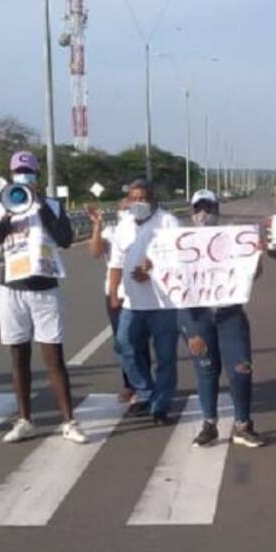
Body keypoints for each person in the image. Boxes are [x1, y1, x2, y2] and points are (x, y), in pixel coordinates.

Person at [0, 151, 87, 444]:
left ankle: (69, 421)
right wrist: (5, 219)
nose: (23, 177)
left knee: (54, 357)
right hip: (11, 290)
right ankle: (24, 419)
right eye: (19, 172)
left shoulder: (52, 205)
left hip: (44, 289)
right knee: (19, 357)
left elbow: (65, 239)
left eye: (28, 172)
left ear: (36, 176)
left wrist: (41, 207)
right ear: (12, 174)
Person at [179, 189, 266, 448]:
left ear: (217, 211)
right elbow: (166, 274)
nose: (203, 214)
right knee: (206, 370)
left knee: (241, 369)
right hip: (196, 316)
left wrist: (256, 255)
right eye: (198, 209)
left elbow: (254, 274)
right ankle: (209, 425)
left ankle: (242, 425)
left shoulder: (233, 239)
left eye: (209, 208)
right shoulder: (179, 242)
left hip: (229, 313)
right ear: (192, 212)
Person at [108, 179, 180, 423]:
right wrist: (113, 293)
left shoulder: (168, 222)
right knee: (124, 346)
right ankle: (146, 391)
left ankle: (160, 405)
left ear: (153, 200)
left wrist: (152, 270)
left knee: (166, 357)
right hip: (131, 302)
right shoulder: (124, 225)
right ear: (128, 200)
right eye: (134, 198)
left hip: (164, 304)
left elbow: (178, 260)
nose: (138, 203)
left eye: (143, 198)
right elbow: (116, 263)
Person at [87, 198, 134, 403]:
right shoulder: (111, 233)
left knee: (139, 342)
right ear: (117, 212)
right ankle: (130, 384)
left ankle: (145, 384)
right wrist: (97, 226)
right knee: (122, 342)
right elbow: (95, 252)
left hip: (142, 295)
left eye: (130, 208)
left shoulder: (145, 229)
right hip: (116, 294)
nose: (126, 211)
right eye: (123, 208)